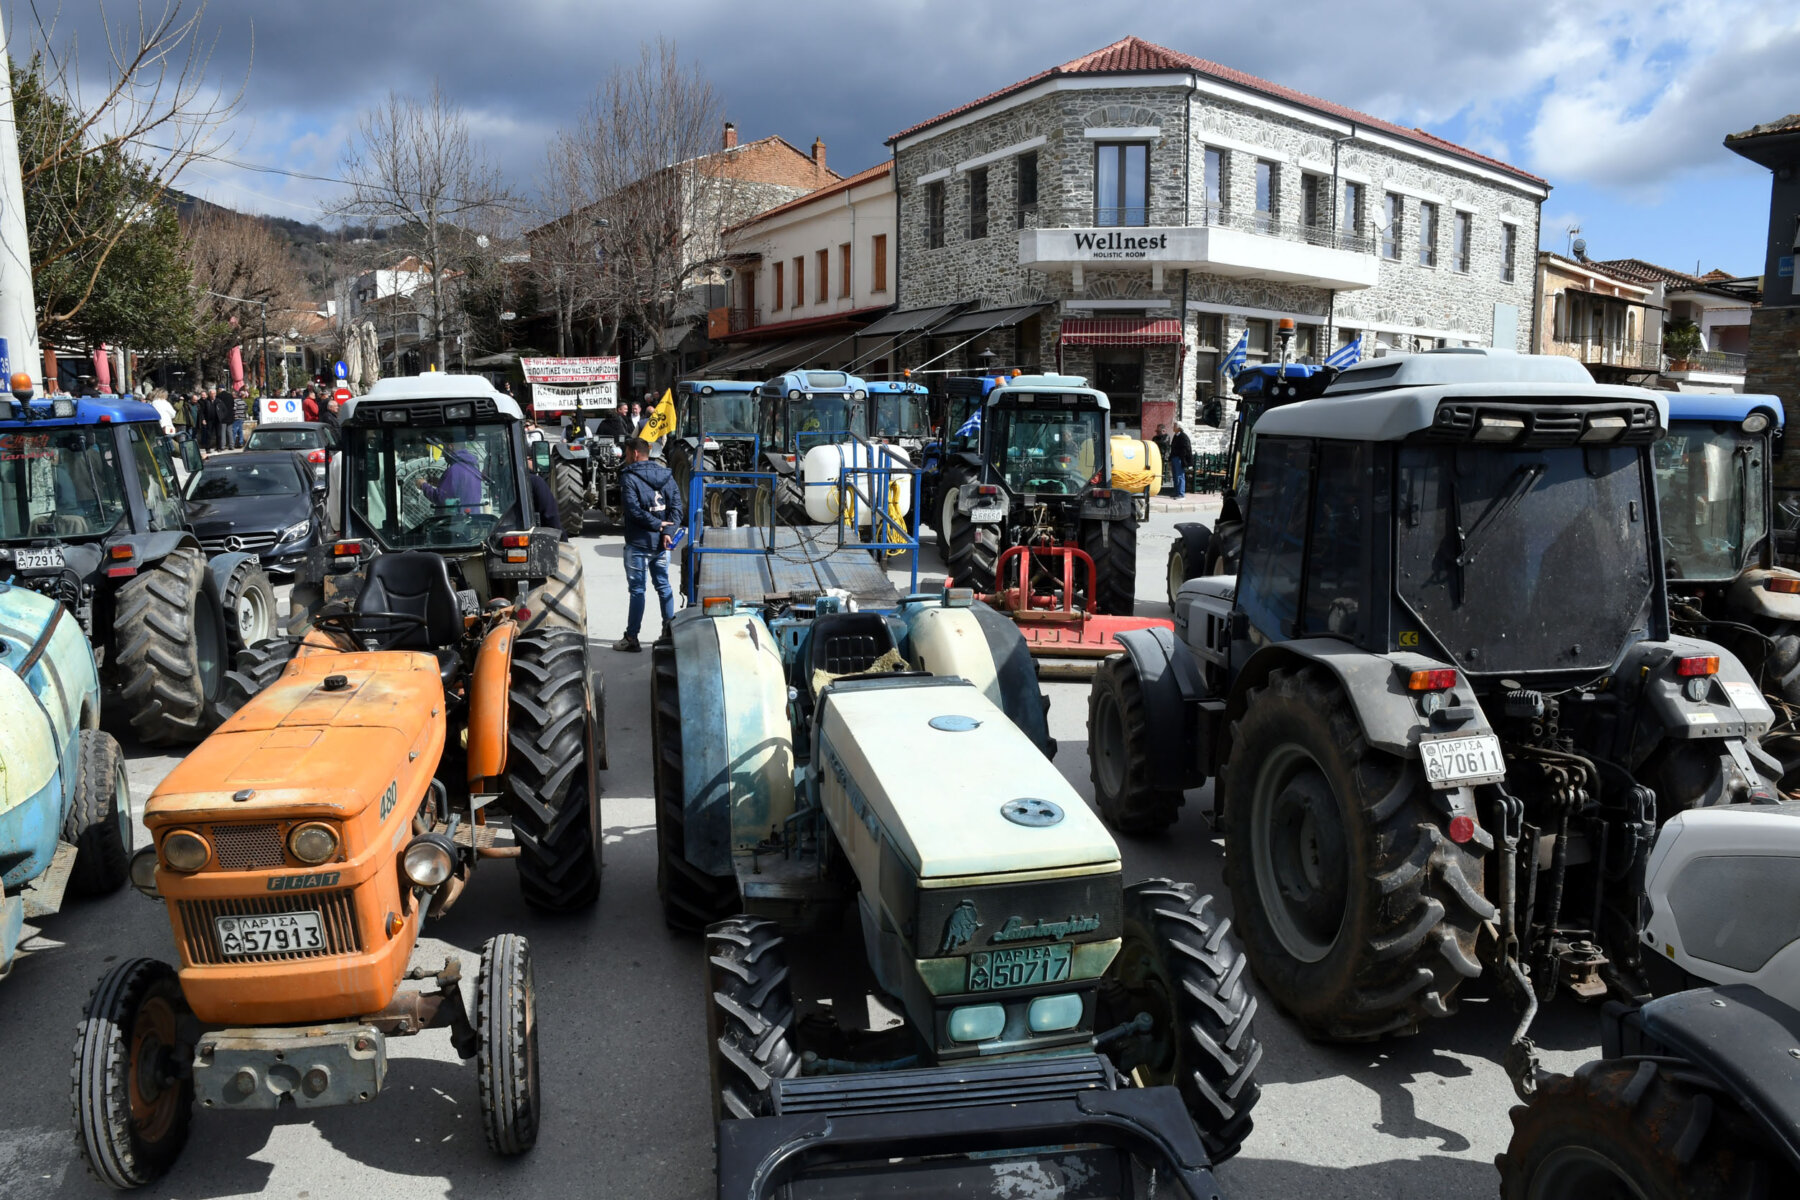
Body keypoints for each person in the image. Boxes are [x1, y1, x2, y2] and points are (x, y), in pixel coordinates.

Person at [615, 436, 683, 653]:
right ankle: (668, 634)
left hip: (638, 544)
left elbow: (633, 510)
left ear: (635, 453)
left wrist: (657, 525)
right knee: (664, 586)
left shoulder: (629, 478)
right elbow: (677, 508)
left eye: (626, 453)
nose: (625, 458)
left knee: (637, 590)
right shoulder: (667, 476)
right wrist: (667, 530)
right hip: (663, 544)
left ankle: (632, 638)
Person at [418, 445, 483, 510]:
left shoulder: (454, 470)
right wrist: (440, 483)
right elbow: (461, 492)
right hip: (472, 516)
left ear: (450, 446)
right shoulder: (473, 469)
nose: (443, 453)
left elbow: (441, 499)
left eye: (443, 448)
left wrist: (423, 485)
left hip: (455, 518)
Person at [1170, 422, 1193, 501]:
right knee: (1175, 477)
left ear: (1179, 428)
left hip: (1179, 458)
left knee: (1180, 476)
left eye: (1174, 426)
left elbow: (1186, 448)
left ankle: (1181, 494)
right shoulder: (1176, 436)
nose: (1173, 427)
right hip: (1174, 458)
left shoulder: (1183, 436)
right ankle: (1176, 492)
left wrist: (1182, 458)